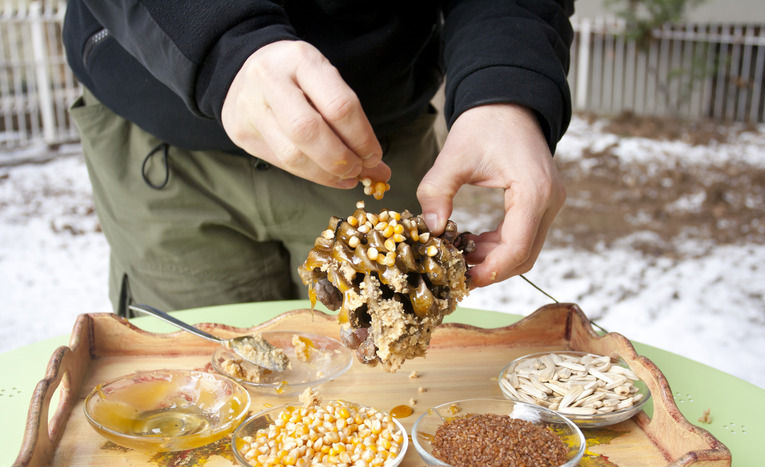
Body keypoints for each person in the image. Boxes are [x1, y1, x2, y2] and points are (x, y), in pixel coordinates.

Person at [62, 0, 574, 316]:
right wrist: (220, 42)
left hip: (376, 139)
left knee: (392, 392)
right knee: (195, 398)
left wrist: (507, 80)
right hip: (162, 138)